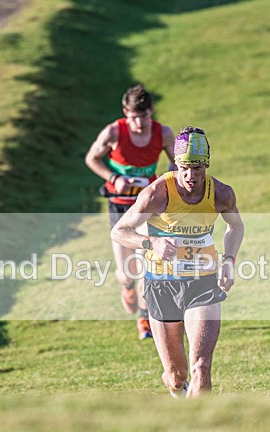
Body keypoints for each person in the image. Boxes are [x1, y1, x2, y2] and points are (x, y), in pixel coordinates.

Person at [111, 126, 244, 397]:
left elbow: (236, 227)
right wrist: (152, 243)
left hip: (202, 282)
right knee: (176, 376)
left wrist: (229, 260)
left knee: (201, 368)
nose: (190, 176)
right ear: (176, 164)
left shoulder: (221, 193)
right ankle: (177, 391)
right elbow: (120, 231)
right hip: (162, 284)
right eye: (184, 168)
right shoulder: (157, 193)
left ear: (206, 164)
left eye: (197, 168)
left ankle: (201, 422)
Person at [85, 84, 177, 339]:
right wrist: (114, 178)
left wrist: (164, 182)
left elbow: (176, 161)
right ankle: (127, 287)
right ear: (126, 112)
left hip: (147, 206)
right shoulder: (114, 131)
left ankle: (144, 318)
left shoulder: (163, 133)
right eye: (133, 117)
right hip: (119, 205)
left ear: (151, 111)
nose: (138, 123)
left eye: (143, 117)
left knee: (147, 264)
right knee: (127, 271)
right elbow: (91, 158)